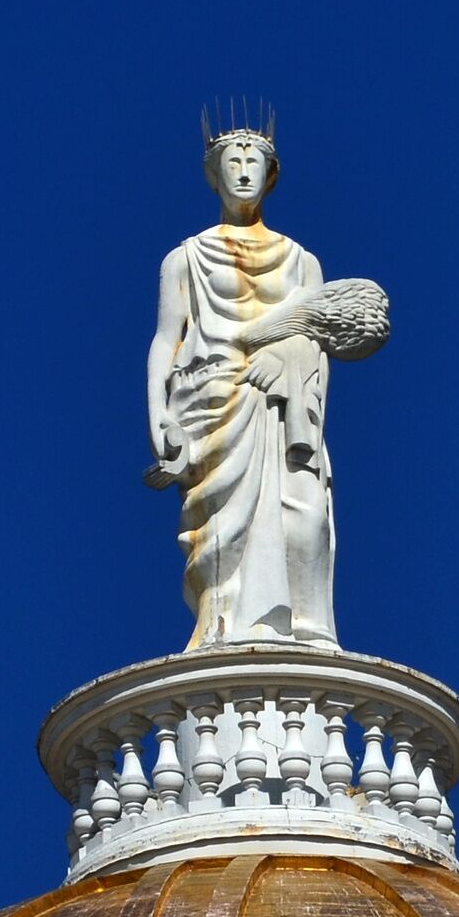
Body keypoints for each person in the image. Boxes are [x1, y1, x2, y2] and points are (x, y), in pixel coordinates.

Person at [146, 121, 358, 647]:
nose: (243, 173)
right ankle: (223, 632)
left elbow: (318, 334)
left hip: (287, 403)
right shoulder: (185, 258)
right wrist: (158, 411)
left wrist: (284, 357)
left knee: (303, 509)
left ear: (271, 176)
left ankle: (307, 630)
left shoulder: (302, 262)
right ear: (212, 176)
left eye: (253, 163)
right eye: (231, 164)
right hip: (213, 400)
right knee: (220, 532)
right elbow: (166, 338)